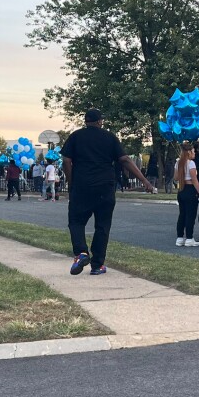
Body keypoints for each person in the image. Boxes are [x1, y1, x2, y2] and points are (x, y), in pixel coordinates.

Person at [63, 108, 154, 275]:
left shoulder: (75, 137)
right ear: (100, 121)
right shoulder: (110, 137)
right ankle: (97, 265)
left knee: (76, 221)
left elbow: (66, 161)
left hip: (82, 186)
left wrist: (71, 183)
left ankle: (81, 253)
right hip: (105, 186)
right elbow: (125, 160)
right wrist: (144, 180)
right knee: (102, 225)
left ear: (86, 121)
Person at [173, 142, 199, 247]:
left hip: (181, 190)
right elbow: (194, 180)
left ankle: (180, 237)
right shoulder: (191, 163)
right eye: (193, 151)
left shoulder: (178, 163)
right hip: (190, 189)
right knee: (191, 215)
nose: (194, 153)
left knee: (182, 214)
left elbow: (176, 178)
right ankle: (189, 238)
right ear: (189, 152)